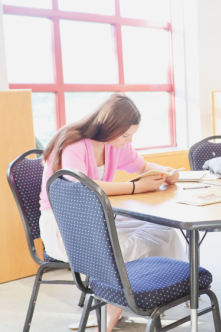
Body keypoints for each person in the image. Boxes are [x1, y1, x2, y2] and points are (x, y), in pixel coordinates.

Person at [38, 94, 187, 331]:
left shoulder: (114, 145)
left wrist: (167, 171)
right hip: (66, 224)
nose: (128, 141)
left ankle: (137, 296)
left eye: (132, 136)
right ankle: (113, 311)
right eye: (126, 135)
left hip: (97, 217)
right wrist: (136, 187)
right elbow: (83, 186)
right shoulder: (72, 145)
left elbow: (143, 166)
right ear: (108, 126)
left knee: (163, 230)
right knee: (129, 245)